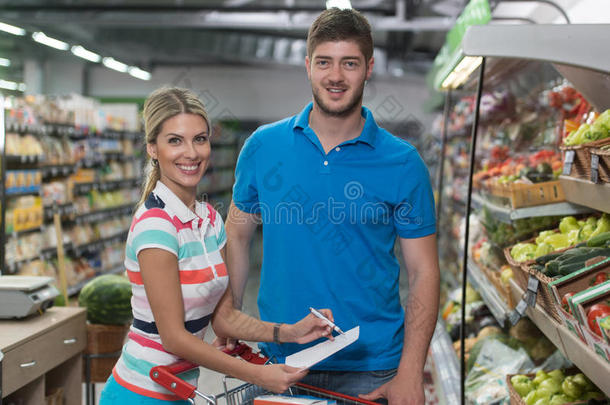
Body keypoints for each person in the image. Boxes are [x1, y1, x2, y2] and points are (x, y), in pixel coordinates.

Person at [224, 7, 440, 405]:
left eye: (349, 63)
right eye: (324, 62)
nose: (335, 76)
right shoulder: (261, 147)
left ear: (369, 67)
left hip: (373, 367)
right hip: (280, 362)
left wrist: (411, 371)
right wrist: (230, 317)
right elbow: (236, 235)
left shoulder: (403, 163)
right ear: (308, 65)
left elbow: (424, 270)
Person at [99, 87, 335, 405]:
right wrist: (257, 375)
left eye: (200, 138)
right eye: (175, 140)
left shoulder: (209, 219)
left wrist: (291, 332)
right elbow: (174, 337)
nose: (192, 153)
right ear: (152, 148)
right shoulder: (156, 226)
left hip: (179, 391)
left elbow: (224, 319)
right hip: (140, 393)